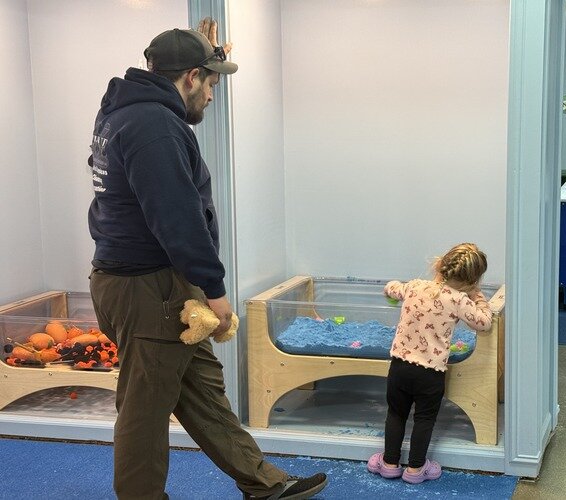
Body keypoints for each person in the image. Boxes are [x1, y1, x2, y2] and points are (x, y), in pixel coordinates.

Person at [87, 18, 328, 500]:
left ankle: (264, 484)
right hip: (150, 289)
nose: (213, 96)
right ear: (191, 77)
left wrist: (204, 44)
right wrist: (214, 292)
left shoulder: (125, 112)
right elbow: (177, 218)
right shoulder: (155, 126)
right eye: (212, 82)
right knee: (145, 409)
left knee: (201, 389)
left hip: (148, 283)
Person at [367, 243, 492, 484]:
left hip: (400, 366)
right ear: (473, 279)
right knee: (424, 419)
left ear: (439, 265)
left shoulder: (415, 286)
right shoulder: (459, 300)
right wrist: (478, 296)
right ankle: (415, 469)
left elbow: (393, 287)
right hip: (430, 373)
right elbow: (484, 322)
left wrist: (390, 288)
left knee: (396, 413)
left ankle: (389, 463)